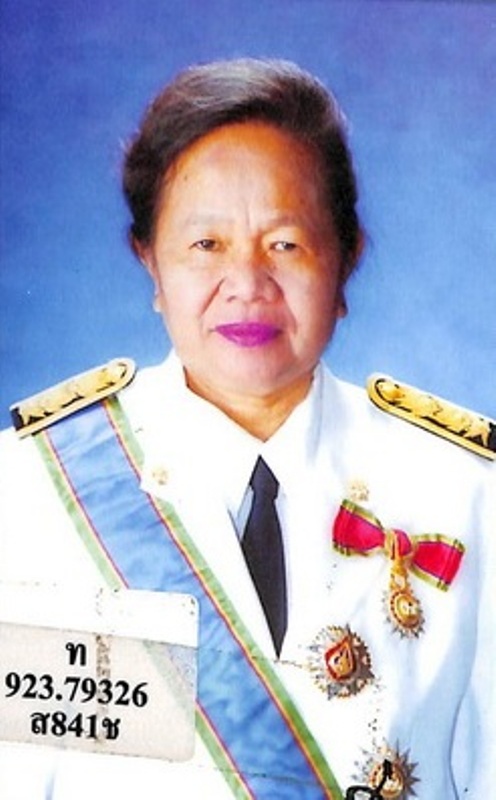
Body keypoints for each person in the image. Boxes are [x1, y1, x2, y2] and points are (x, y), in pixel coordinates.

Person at [0, 57, 494, 799]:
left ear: (346, 259)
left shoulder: (466, 493)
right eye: (206, 245)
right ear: (151, 262)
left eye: (285, 243)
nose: (247, 285)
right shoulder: (33, 492)